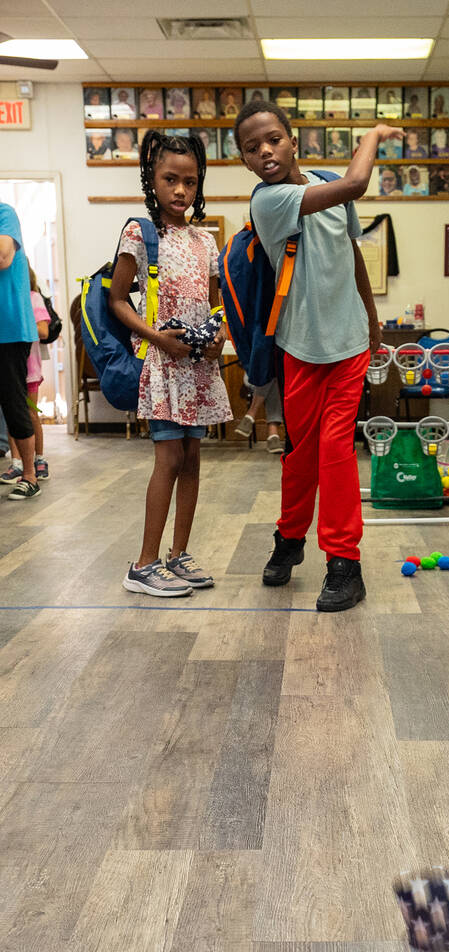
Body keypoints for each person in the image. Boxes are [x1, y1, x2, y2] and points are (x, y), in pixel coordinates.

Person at [234, 99, 400, 611]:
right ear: (244, 160)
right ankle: (290, 539)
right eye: (251, 147)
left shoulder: (326, 179)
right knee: (299, 455)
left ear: (293, 139)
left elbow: (352, 251)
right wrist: (371, 137)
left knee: (334, 450)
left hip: (348, 342)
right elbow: (356, 184)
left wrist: (371, 318)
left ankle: (344, 564)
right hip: (300, 347)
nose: (265, 151)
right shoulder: (270, 201)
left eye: (273, 139)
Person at [110, 130, 231, 597]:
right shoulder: (140, 233)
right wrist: (156, 338)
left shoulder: (206, 240)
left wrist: (220, 335)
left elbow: (216, 304)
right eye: (170, 179)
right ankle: (143, 564)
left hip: (199, 368)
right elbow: (119, 300)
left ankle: (179, 555)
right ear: (152, 180)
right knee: (168, 458)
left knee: (193, 458)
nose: (181, 191)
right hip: (164, 365)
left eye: (190, 181)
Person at [0, 202, 40, 500]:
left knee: (14, 401)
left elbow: (3, 256)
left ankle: (30, 475)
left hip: (10, 329)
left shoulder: (4, 213)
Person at [2, 263, 50, 485]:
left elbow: (43, 330)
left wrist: (18, 319)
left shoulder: (33, 298)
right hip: (9, 366)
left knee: (30, 414)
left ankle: (39, 459)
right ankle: (17, 463)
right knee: (13, 415)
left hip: (29, 369)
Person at [235, 378, 284, 452]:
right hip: (253, 377)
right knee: (271, 377)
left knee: (274, 378)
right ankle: (273, 434)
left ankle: (250, 414)